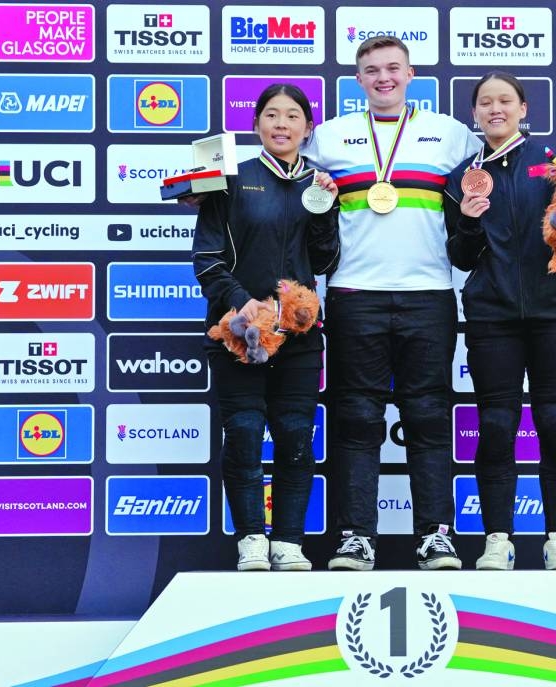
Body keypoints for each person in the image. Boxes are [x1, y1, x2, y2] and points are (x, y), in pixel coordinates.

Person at [300, 36, 482, 570]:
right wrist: (215, 196)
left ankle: (435, 537)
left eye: (393, 68)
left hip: (429, 294)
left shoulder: (450, 134)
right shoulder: (330, 136)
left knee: (428, 418)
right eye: (373, 70)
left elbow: (498, 178)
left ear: (410, 74)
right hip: (355, 294)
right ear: (358, 79)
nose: (384, 78)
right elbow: (290, 190)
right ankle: (356, 537)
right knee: (357, 420)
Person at [443, 72, 556, 571]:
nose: (495, 109)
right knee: (496, 426)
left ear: (522, 108)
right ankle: (498, 540)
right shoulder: (463, 176)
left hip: (555, 311)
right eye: (485, 102)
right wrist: (469, 220)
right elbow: (460, 256)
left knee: (555, 421)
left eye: (505, 101)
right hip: (493, 316)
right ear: (474, 113)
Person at [192, 83, 340, 572]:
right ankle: (252, 539)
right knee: (243, 433)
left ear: (307, 127)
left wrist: (325, 213)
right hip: (237, 332)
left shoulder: (319, 184)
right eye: (272, 114)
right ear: (255, 124)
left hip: (299, 336)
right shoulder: (229, 179)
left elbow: (326, 262)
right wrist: (243, 305)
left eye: (292, 116)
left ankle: (289, 542)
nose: (281, 124)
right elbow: (207, 259)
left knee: (296, 436)